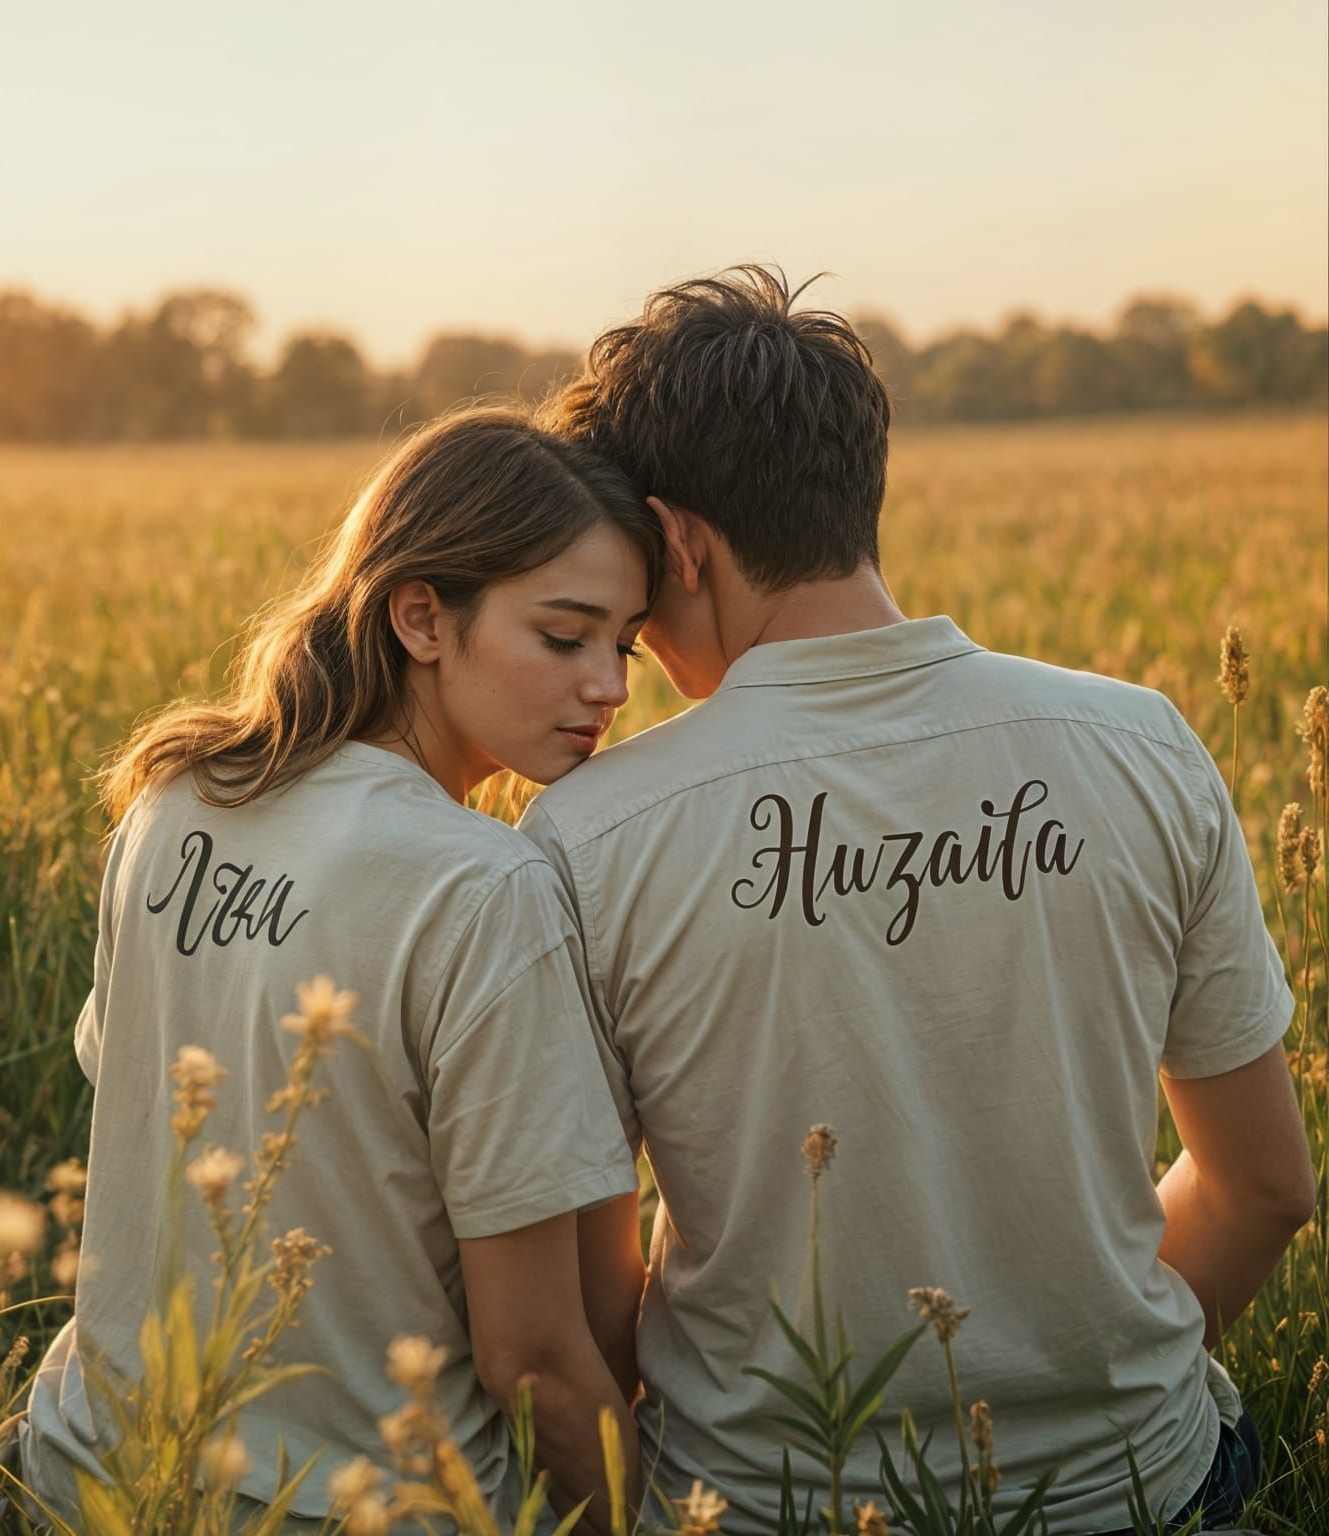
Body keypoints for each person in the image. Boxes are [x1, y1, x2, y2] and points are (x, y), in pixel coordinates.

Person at [523, 266, 1313, 1534]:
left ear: (676, 541)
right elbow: (1264, 1189)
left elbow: (583, 1300)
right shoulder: (1143, 742)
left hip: (763, 1507)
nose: (630, 654)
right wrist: (1080, 1394)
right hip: (1142, 1489)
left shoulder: (591, 833)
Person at [18, 408, 661, 1531]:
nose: (609, 685)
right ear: (422, 615)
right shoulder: (482, 888)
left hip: (87, 1474)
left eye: (628, 645)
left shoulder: (177, 802)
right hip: (352, 1505)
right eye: (565, 638)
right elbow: (536, 1363)